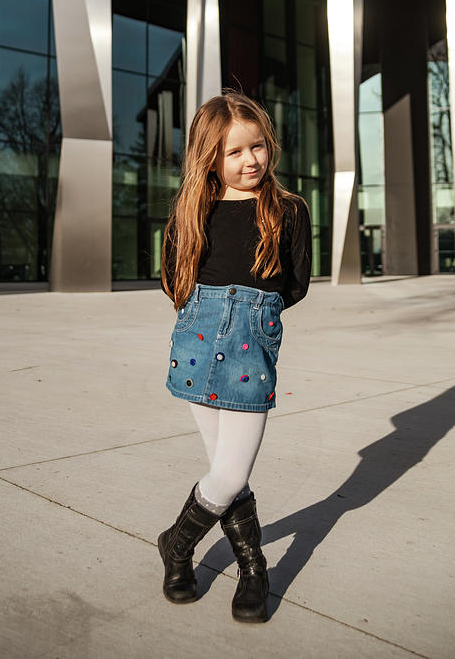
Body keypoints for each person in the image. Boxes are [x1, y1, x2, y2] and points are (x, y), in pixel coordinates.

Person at [158, 90, 312, 623]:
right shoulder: (192, 209)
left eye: (258, 147)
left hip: (251, 351)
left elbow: (294, 284)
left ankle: (177, 545)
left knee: (227, 473)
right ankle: (254, 568)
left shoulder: (289, 210)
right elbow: (172, 278)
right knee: (230, 473)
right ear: (210, 158)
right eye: (235, 152)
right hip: (197, 344)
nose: (251, 161)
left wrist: (252, 315)